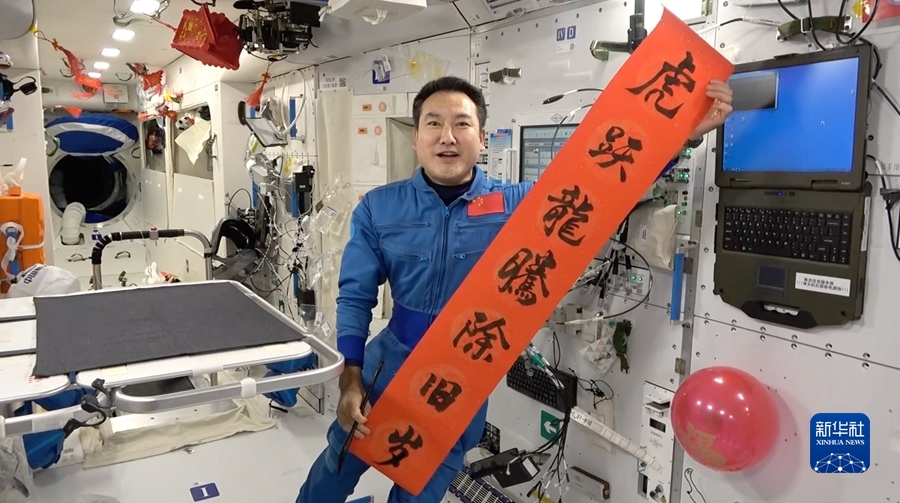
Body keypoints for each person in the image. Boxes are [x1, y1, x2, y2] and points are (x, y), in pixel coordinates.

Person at [295, 75, 734, 503]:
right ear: (416, 138)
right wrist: (350, 378)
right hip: (387, 367)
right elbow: (355, 296)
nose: (447, 136)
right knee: (338, 462)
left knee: (422, 485)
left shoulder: (517, 204)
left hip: (465, 373)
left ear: (482, 138)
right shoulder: (380, 207)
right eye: (433, 123)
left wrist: (682, 138)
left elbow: (602, 189)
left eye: (462, 123)